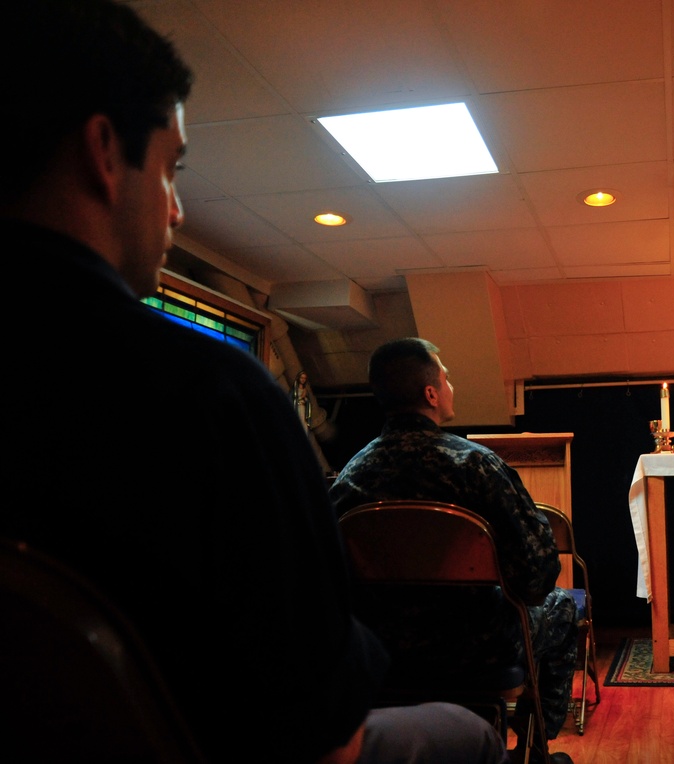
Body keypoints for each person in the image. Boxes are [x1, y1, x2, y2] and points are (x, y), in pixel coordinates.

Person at [1, 2, 507, 763]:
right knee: (467, 736)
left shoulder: (352, 474)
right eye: (170, 168)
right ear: (104, 152)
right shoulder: (215, 396)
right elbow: (325, 735)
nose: (175, 209)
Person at [330, 337, 578, 764]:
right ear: (430, 394)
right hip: (478, 646)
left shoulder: (352, 476)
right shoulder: (476, 465)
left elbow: (326, 577)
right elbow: (538, 573)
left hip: (381, 647)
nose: (450, 384)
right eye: (446, 377)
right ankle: (535, 748)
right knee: (563, 607)